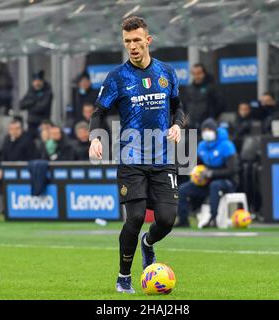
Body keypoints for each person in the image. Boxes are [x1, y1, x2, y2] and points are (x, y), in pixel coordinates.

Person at [88, 16, 185, 294]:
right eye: (127, 41)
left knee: (166, 220)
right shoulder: (117, 77)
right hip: (131, 160)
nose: (132, 46)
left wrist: (178, 125)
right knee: (136, 216)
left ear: (148, 41)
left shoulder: (167, 72)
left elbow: (178, 106)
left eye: (137, 40)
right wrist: (95, 138)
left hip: (163, 158)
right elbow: (99, 112)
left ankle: (148, 244)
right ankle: (123, 277)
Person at [175, 118, 239, 228]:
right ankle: (183, 219)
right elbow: (197, 165)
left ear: (215, 130)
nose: (206, 132)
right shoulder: (202, 146)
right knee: (183, 189)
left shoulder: (226, 145)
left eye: (209, 129)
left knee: (215, 185)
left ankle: (213, 219)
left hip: (227, 181)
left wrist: (211, 173)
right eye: (204, 130)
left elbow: (233, 170)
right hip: (206, 181)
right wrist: (196, 174)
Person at [0, 119, 37, 213]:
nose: (13, 131)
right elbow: (1, 155)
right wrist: (1, 168)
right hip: (6, 169)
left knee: (8, 178)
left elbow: (32, 158)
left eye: (16, 129)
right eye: (11, 129)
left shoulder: (27, 140)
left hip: (22, 170)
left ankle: (8, 207)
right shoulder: (8, 139)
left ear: (20, 129)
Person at [184, 63, 224, 129]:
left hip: (207, 126)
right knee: (191, 139)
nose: (197, 76)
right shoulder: (189, 89)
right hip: (191, 126)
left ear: (204, 73)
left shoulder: (212, 87)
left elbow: (221, 104)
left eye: (199, 73)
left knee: (206, 139)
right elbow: (184, 106)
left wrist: (212, 118)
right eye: (194, 74)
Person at [19, 70, 53, 139]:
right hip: (31, 124)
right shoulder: (30, 91)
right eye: (35, 81)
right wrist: (34, 101)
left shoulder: (47, 92)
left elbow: (42, 108)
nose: (37, 83)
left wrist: (30, 106)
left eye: (38, 81)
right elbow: (21, 105)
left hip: (43, 123)